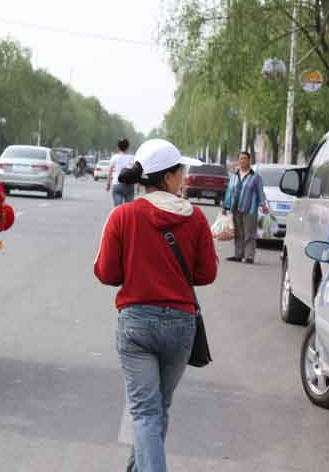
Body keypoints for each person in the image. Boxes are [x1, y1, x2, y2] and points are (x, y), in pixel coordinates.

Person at [94, 139, 218, 472]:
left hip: (136, 324)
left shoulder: (123, 215)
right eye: (181, 171)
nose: (185, 177)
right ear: (168, 177)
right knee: (157, 410)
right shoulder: (195, 219)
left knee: (146, 413)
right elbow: (207, 274)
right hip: (180, 324)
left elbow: (106, 273)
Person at [222, 151, 269, 264]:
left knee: (249, 233)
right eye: (240, 159)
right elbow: (229, 191)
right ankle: (238, 255)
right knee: (238, 233)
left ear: (249, 161)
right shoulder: (235, 175)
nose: (242, 161)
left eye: (244, 158)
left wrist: (263, 204)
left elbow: (260, 192)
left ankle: (249, 256)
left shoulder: (255, 177)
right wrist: (225, 206)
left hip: (250, 209)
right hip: (236, 207)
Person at [107, 138, 136, 206]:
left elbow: (110, 171)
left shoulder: (114, 157)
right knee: (129, 208)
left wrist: (108, 184)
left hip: (117, 184)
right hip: (129, 185)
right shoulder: (132, 158)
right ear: (128, 147)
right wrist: (138, 185)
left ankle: (119, 216)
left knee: (117, 208)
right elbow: (135, 172)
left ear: (118, 147)